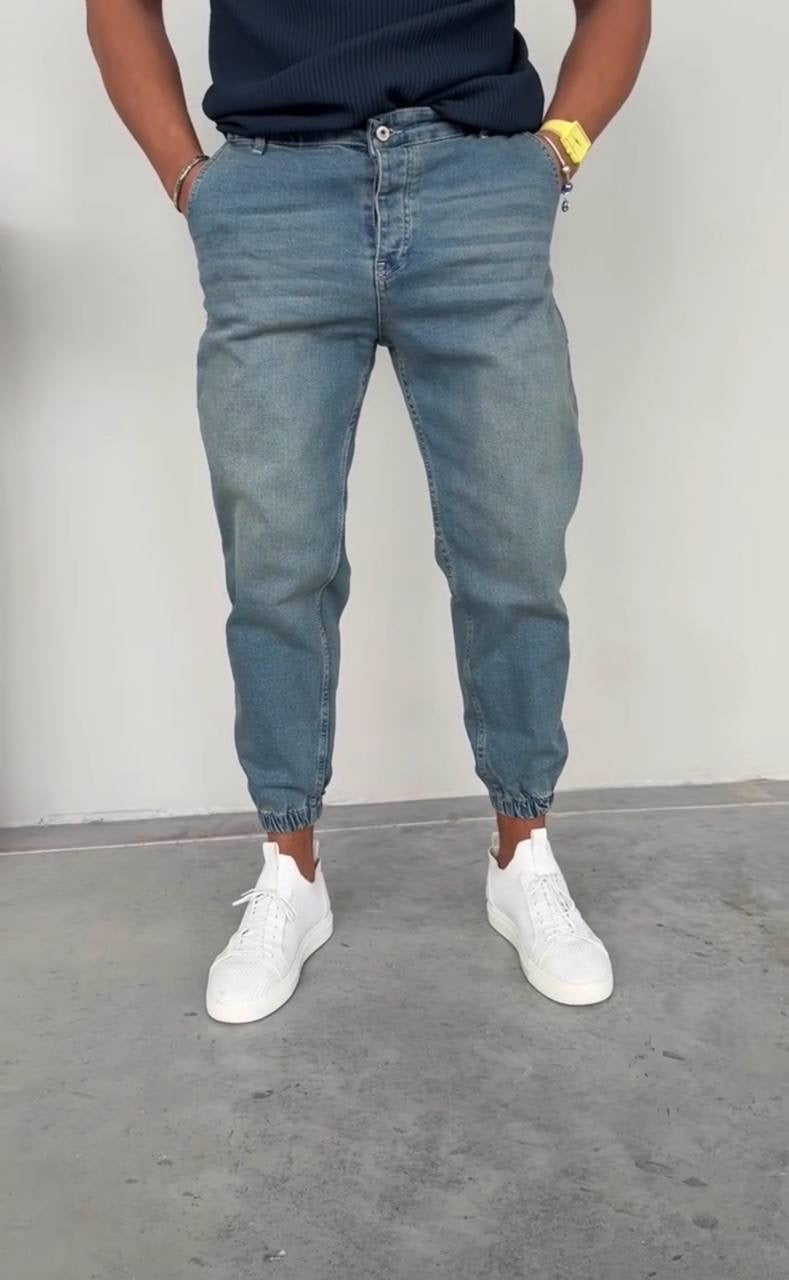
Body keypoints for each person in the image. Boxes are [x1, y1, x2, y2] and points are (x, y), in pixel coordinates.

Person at [86, 0, 651, 1023]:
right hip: (275, 199)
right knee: (277, 559)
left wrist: (555, 153)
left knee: (516, 545)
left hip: (477, 189)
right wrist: (189, 181)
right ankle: (289, 870)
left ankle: (522, 851)